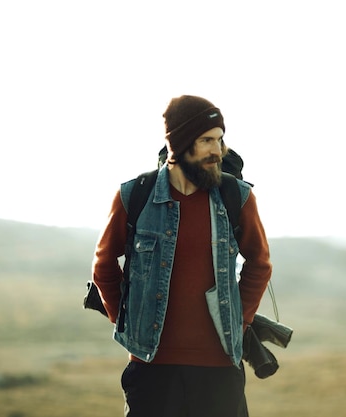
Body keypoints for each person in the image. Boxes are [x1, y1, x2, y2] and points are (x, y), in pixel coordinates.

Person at [92, 95, 273, 417]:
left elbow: (259, 264)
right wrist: (126, 319)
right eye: (206, 140)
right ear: (179, 143)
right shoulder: (134, 195)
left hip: (219, 366)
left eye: (219, 140)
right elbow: (104, 266)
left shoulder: (237, 196)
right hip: (151, 365)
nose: (217, 150)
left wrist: (241, 320)